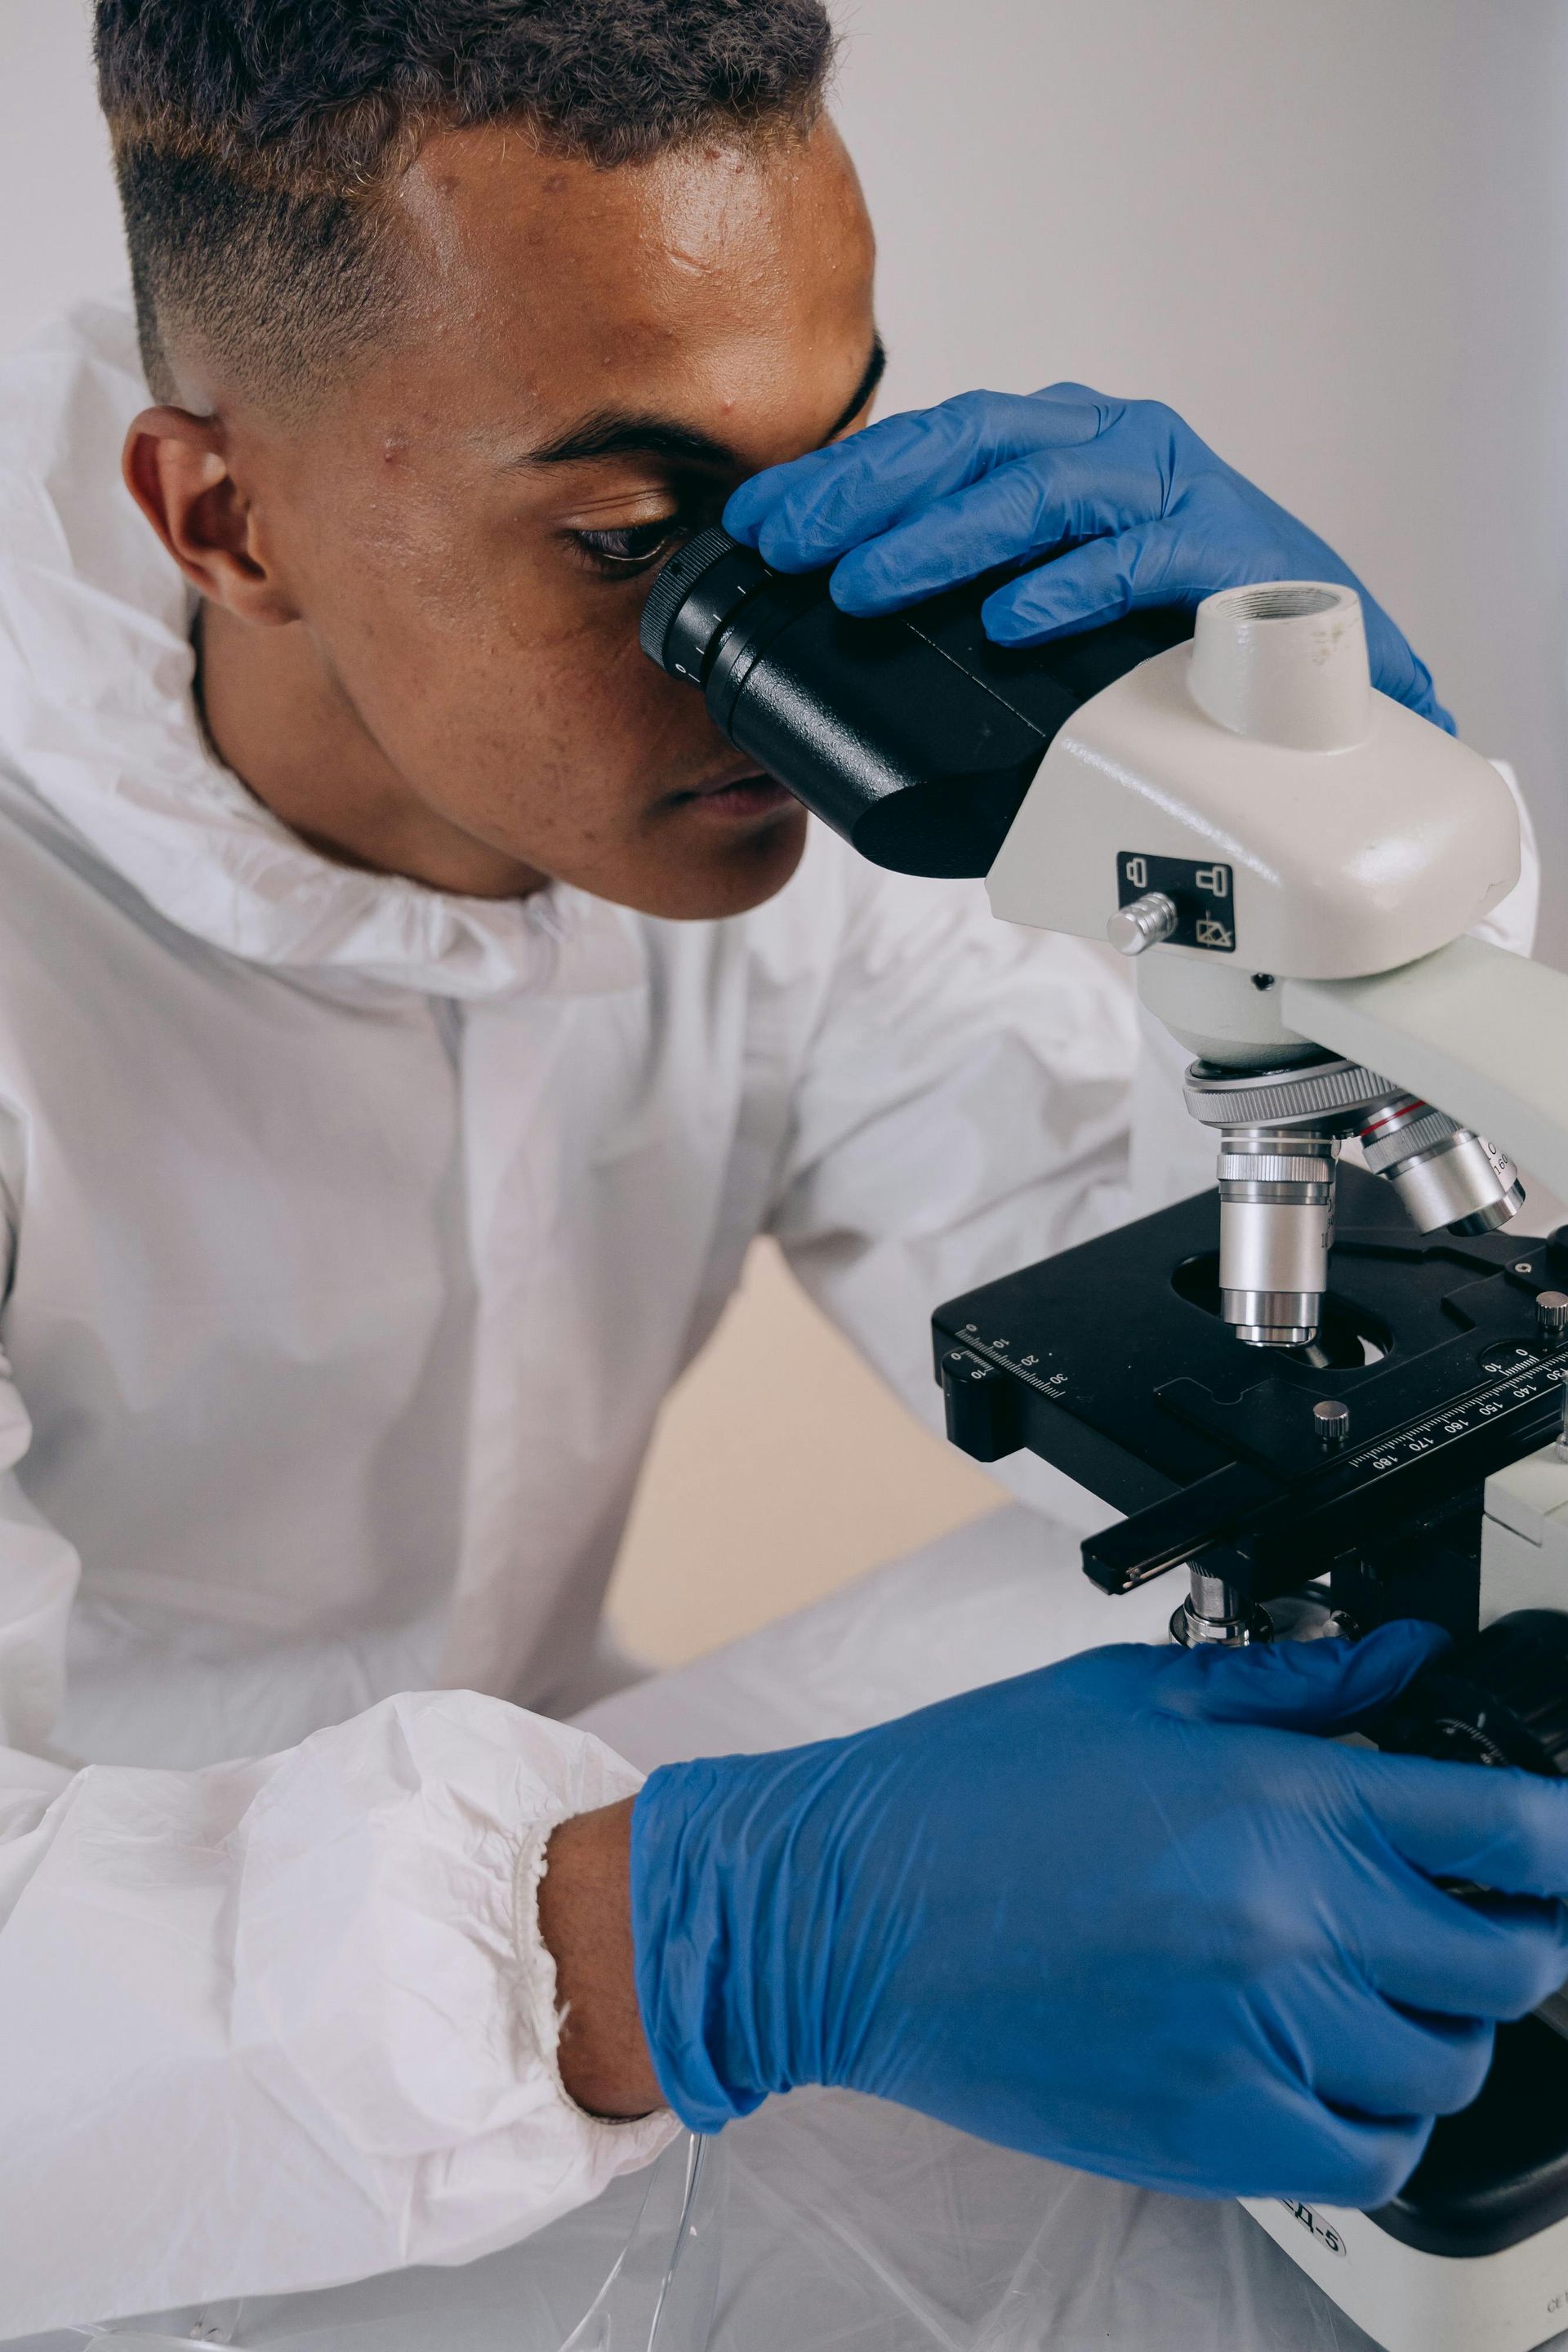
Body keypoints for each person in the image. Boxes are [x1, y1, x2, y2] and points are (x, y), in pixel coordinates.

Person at [0, 1, 1560, 2333]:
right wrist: (700, 1936)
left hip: (541, 1891)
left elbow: (1195, 1295)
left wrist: (1348, 880)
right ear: (223, 516)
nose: (779, 667)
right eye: (632, 542)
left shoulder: (730, 814)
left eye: (826, 481)